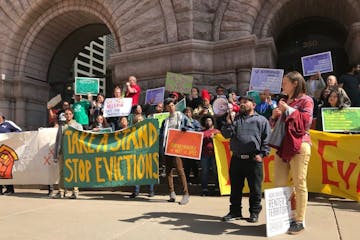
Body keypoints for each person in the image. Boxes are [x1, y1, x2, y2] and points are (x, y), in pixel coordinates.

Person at [269, 71, 314, 234]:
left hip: (300, 145)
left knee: (299, 183)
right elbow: (275, 127)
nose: (282, 85)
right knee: (279, 183)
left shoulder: (306, 100)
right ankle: (283, 217)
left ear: (295, 83)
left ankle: (299, 220)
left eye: (285, 82)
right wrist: (274, 117)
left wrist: (287, 109)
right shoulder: (284, 101)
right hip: (283, 146)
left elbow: (306, 122)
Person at [221, 96, 271, 223]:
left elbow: (267, 139)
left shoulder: (261, 120)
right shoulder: (235, 119)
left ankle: (254, 212)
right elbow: (227, 135)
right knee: (236, 188)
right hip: (237, 159)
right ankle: (235, 212)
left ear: (253, 105)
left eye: (245, 102)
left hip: (254, 160)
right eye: (241, 102)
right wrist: (228, 122)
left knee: (255, 188)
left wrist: (262, 154)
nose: (242, 104)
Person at [160, 98, 192, 205]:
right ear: (166, 108)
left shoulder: (181, 117)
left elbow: (191, 127)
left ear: (175, 106)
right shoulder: (165, 121)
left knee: (179, 170)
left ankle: (186, 194)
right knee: (168, 171)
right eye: (168, 106)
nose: (171, 107)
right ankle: (171, 193)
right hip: (168, 147)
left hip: (178, 147)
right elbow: (162, 136)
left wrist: (185, 129)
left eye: (172, 105)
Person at [52, 108, 83, 199]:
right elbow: (58, 140)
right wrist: (55, 154)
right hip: (63, 152)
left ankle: (75, 191)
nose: (68, 115)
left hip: (74, 152)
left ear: (72, 115)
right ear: (64, 116)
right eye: (66, 114)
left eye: (69, 114)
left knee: (74, 171)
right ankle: (61, 191)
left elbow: (82, 139)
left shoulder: (78, 125)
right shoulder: (62, 126)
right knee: (62, 172)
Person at [129, 115, 155, 198]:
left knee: (148, 172)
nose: (139, 122)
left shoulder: (148, 130)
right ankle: (136, 191)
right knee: (136, 173)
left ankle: (151, 191)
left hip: (147, 153)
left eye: (141, 120)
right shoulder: (131, 131)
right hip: (136, 154)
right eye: (137, 120)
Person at [0, 112, 21, 195]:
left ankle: (10, 189)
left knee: (5, 170)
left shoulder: (8, 123)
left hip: (6, 151)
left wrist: (8, 137)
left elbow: (19, 131)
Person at [200, 115, 220, 196]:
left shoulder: (217, 131)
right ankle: (204, 188)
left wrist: (214, 138)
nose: (208, 122)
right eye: (206, 121)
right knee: (204, 172)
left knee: (216, 172)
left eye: (209, 120)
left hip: (215, 155)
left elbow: (221, 142)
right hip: (204, 155)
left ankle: (217, 188)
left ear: (212, 122)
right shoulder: (201, 132)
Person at [182, 107, 202, 184]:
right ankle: (186, 179)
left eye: (189, 112)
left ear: (191, 113)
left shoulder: (195, 122)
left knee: (194, 163)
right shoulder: (181, 123)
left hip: (193, 146)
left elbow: (199, 131)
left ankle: (196, 178)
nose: (187, 114)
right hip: (184, 146)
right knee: (186, 164)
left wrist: (189, 131)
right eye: (185, 112)